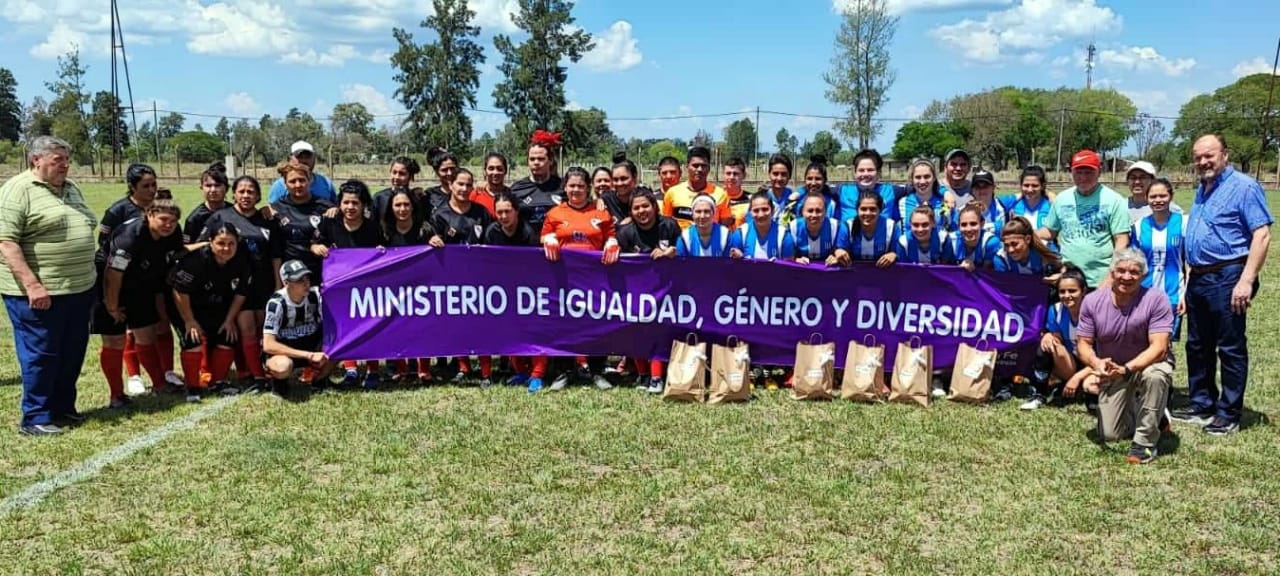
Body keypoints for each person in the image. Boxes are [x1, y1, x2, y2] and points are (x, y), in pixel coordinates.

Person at [1172, 134, 1273, 436]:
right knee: (1197, 344)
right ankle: (1202, 402)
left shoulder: (1244, 187)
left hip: (1229, 275)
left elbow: (1262, 234)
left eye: (1209, 155)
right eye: (1198, 156)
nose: (1203, 161)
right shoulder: (1203, 188)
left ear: (1225, 155)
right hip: (1200, 276)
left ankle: (1228, 413)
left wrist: (1246, 279)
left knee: (1229, 346)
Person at [0, 136, 98, 435]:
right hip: (39, 292)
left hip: (78, 289)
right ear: (36, 160)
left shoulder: (70, 188)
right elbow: (6, 242)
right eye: (58, 160)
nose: (65, 165)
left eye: (67, 160)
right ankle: (36, 417)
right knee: (41, 353)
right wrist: (33, 285)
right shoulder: (17, 190)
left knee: (72, 351)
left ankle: (62, 408)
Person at [1076, 248, 1174, 464]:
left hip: (1148, 365)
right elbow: (1083, 344)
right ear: (1111, 272)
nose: (1127, 277)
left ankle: (1145, 444)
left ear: (1143, 275)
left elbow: (1159, 347)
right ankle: (1154, 415)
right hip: (1113, 371)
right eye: (1121, 271)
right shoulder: (1092, 301)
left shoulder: (1156, 299)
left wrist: (1127, 368)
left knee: (1156, 376)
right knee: (1111, 435)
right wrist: (1096, 363)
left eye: (1134, 272)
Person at [93, 199, 185, 408]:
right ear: (149, 214)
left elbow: (180, 251)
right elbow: (113, 274)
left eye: (172, 221)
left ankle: (160, 384)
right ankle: (117, 395)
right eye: (163, 219)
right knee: (114, 340)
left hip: (139, 283)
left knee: (146, 333)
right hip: (109, 284)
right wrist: (112, 306)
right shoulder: (130, 237)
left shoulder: (170, 233)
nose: (168, 225)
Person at [540, 167, 619, 392]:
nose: (576, 190)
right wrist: (549, 238)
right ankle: (565, 370)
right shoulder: (555, 213)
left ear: (588, 188)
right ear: (565, 187)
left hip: (595, 279)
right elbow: (543, 235)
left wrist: (612, 243)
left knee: (595, 321)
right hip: (563, 280)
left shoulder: (600, 213)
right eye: (572, 185)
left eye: (581, 186)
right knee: (564, 323)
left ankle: (596, 370)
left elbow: (611, 236)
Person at [198, 175, 279, 387]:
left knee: (264, 328)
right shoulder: (221, 217)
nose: (245, 195)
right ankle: (256, 375)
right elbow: (204, 245)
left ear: (258, 196)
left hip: (265, 282)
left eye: (250, 192)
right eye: (241, 191)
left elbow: (275, 255)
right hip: (236, 284)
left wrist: (278, 285)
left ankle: (261, 368)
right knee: (247, 328)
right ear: (233, 193)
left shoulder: (267, 219)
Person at [313, 180, 383, 389]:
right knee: (343, 327)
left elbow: (383, 251)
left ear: (363, 205)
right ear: (339, 204)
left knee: (370, 327)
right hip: (338, 288)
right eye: (346, 203)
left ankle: (372, 371)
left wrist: (380, 251)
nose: (350, 207)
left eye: (355, 203)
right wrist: (316, 247)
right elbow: (314, 242)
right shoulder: (329, 222)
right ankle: (350, 369)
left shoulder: (372, 227)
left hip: (366, 288)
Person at [170, 223, 251, 402]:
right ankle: (192, 387)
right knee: (194, 340)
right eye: (221, 243)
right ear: (210, 242)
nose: (226, 248)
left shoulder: (241, 260)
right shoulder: (195, 261)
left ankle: (217, 382)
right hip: (186, 307)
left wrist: (230, 320)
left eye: (231, 243)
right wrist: (189, 320)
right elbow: (179, 291)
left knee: (227, 336)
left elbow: (241, 293)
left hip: (216, 304)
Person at [615, 191, 680, 394]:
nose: (641, 211)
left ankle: (656, 377)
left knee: (658, 329)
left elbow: (685, 251)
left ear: (654, 206)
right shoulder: (626, 233)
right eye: (636, 208)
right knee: (635, 329)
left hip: (667, 289)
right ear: (631, 211)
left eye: (646, 206)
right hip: (637, 291)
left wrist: (673, 252)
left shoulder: (669, 225)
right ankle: (642, 373)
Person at [483, 193, 548, 392]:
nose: (503, 216)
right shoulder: (492, 231)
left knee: (536, 332)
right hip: (502, 290)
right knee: (509, 332)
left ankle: (537, 375)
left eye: (507, 211)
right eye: (499, 212)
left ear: (516, 212)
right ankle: (520, 371)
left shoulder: (528, 233)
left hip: (529, 290)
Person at [1039, 149, 1130, 289]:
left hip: (1100, 280)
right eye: (1078, 172)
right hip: (1069, 279)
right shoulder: (1062, 199)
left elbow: (1121, 240)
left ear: (1099, 172)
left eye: (1088, 172)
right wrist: (1025, 233)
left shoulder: (1114, 200)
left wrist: (1110, 277)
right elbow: (1050, 231)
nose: (1083, 177)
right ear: (1072, 172)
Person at [382, 187, 442, 383]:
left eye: (406, 204)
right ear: (391, 208)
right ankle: (402, 368)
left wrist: (435, 241)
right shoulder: (384, 231)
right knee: (396, 328)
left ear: (413, 207)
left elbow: (438, 254)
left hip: (420, 288)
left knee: (421, 327)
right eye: (398, 205)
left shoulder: (424, 228)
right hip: (393, 289)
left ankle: (423, 369)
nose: (402, 209)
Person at [1021, 266, 1092, 411]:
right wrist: (1048, 335)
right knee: (1048, 344)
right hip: (1070, 363)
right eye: (1062, 291)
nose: (1066, 295)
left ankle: (1083, 393)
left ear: (1084, 291)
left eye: (1072, 291)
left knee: (1091, 386)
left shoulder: (1095, 311)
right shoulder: (1056, 310)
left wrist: (1078, 377)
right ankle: (1039, 394)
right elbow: (1057, 340)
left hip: (1094, 366)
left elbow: (1103, 355)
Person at [262, 260, 335, 397]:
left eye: (306, 278)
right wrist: (308, 355)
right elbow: (268, 344)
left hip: (312, 344)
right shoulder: (276, 303)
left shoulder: (316, 295)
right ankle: (279, 383)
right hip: (286, 350)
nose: (305, 283)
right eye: (299, 280)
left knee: (338, 346)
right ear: (286, 282)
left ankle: (319, 381)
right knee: (283, 366)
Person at [1130, 178, 1187, 341]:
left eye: (1162, 196)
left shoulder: (1183, 222)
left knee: (1164, 344)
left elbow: (1189, 263)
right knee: (1141, 342)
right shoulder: (1139, 226)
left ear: (1171, 196)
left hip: (1174, 295)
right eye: (1153, 197)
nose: (1158, 200)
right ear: (1147, 199)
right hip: (1144, 295)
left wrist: (1186, 294)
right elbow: (1134, 263)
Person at [271, 161, 333, 281]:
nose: (298, 185)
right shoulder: (276, 208)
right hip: (290, 274)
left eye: (302, 180)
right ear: (285, 184)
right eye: (292, 181)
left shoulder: (325, 207)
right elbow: (275, 249)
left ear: (309, 181)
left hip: (320, 271)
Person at [663, 146, 732, 229]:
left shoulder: (721, 194)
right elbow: (666, 225)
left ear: (709, 168)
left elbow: (724, 228)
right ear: (687, 167)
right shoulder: (672, 193)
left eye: (703, 166)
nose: (699, 169)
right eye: (695, 166)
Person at [510, 130, 565, 232]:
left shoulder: (563, 187)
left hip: (554, 245)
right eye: (532, 159)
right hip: (525, 246)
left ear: (551, 160)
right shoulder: (516, 189)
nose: (536, 163)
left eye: (540, 159)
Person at [431, 169, 493, 248]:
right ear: (450, 185)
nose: (465, 189)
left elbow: (490, 242)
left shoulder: (482, 212)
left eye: (469, 185)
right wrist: (434, 240)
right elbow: (434, 241)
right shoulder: (439, 215)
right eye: (460, 184)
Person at [836, 191, 897, 268]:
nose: (868, 213)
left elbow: (898, 253)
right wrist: (838, 252)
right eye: (863, 209)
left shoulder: (891, 227)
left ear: (880, 210)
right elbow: (839, 250)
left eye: (873, 209)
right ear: (857, 210)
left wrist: (894, 255)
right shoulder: (847, 227)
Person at [994, 216, 1062, 284]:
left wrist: (1059, 277)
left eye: (1014, 244)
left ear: (1027, 239)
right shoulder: (1001, 258)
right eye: (1006, 245)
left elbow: (1065, 271)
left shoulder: (1047, 248)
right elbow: (1002, 286)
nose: (1010, 250)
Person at [729, 192, 795, 261]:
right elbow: (734, 267)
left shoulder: (783, 236)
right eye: (756, 210)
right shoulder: (740, 234)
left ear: (772, 210)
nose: (760, 215)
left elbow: (788, 268)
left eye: (765, 209)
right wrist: (741, 258)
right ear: (750, 212)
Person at [789, 192, 848, 266]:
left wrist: (837, 258)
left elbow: (843, 254)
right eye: (810, 211)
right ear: (802, 212)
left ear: (825, 212)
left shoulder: (838, 227)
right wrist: (795, 260)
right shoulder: (792, 228)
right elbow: (787, 258)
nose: (814, 215)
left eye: (818, 211)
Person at [837, 148, 899, 218]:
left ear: (879, 173)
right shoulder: (842, 191)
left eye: (870, 170)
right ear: (854, 173)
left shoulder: (890, 191)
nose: (865, 174)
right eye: (861, 170)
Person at [267, 141, 336, 203]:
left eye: (308, 156)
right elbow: (272, 210)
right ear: (290, 159)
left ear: (314, 159)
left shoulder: (325, 183)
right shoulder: (279, 186)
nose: (304, 160)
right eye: (299, 156)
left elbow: (336, 207)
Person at [948, 201, 1002, 271]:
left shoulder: (990, 243)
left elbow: (989, 274)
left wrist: (974, 269)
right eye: (964, 225)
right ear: (958, 226)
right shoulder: (951, 241)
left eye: (973, 224)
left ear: (982, 224)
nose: (969, 229)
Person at [184, 163, 230, 245]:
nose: (213, 190)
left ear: (226, 188)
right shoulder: (194, 219)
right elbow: (186, 248)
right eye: (208, 186)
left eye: (217, 185)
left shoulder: (235, 211)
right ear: (202, 188)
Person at [894, 159, 947, 228]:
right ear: (912, 179)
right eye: (918, 177)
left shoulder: (944, 202)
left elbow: (951, 227)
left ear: (934, 178)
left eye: (927, 176)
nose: (922, 181)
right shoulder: (902, 203)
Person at [600, 154, 650, 223]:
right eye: (615, 179)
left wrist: (632, 218)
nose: (619, 183)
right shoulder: (606, 199)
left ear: (634, 177)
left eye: (624, 179)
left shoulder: (645, 196)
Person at [786, 157, 839, 223]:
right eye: (809, 178)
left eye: (818, 179)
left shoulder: (831, 204)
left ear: (824, 180)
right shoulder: (796, 202)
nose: (813, 183)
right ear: (805, 180)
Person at [372, 156, 421, 222]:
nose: (396, 177)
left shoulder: (416, 198)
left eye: (402, 174)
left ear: (411, 176)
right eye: (394, 172)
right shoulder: (379, 198)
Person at [959, 169, 1007, 236]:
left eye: (986, 186)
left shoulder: (1003, 205)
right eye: (977, 187)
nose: (981, 190)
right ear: (972, 190)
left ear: (993, 187)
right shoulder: (962, 211)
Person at [1007, 165, 1055, 231]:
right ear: (1021, 185)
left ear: (1043, 186)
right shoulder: (1013, 205)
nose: (1030, 189)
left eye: (1035, 186)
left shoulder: (1051, 205)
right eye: (1026, 185)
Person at [471, 152, 509, 217]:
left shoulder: (511, 195)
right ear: (485, 171)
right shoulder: (475, 195)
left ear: (505, 171)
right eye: (491, 168)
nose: (495, 172)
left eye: (499, 169)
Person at [422, 147, 459, 213]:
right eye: (444, 170)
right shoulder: (429, 195)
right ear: (436, 172)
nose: (449, 173)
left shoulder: (466, 192)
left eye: (452, 168)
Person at [761, 153, 796, 220]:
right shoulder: (761, 198)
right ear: (769, 174)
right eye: (775, 174)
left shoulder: (794, 199)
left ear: (790, 175)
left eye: (784, 174)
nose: (779, 178)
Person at [722, 157, 752, 229]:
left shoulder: (751, 200)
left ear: (743, 175)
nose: (731, 177)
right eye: (728, 173)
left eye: (736, 174)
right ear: (723, 175)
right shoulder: (717, 198)